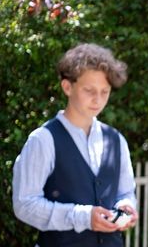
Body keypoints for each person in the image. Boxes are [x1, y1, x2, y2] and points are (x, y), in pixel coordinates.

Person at [13, 43, 138, 247]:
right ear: (67, 87)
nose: (98, 100)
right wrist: (83, 216)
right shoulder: (43, 140)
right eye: (89, 90)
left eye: (105, 92)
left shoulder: (116, 140)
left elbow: (125, 192)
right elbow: (24, 204)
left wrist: (125, 206)